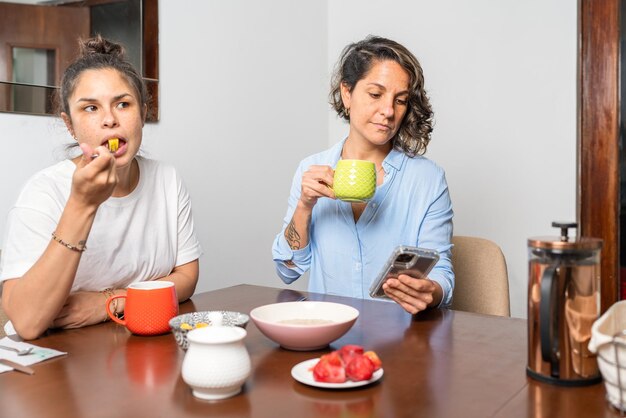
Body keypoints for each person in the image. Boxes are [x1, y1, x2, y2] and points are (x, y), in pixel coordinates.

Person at [0, 35, 202, 340]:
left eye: (123, 104)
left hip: (128, 343)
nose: (109, 120)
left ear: (143, 113)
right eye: (90, 108)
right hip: (52, 364)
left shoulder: (167, 180)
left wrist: (110, 301)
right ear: (70, 124)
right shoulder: (43, 192)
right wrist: (82, 204)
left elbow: (186, 276)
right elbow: (27, 322)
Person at [272, 35, 453, 314]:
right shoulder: (312, 170)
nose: (388, 111)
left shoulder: (428, 179)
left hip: (399, 340)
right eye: (375, 94)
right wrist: (304, 206)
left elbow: (441, 272)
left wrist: (432, 291)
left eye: (400, 100)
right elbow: (287, 271)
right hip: (328, 336)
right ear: (347, 93)